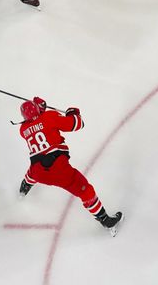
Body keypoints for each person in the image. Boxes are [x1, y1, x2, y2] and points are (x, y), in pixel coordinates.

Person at [17, 97, 123, 235]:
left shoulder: (23, 129)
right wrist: (73, 113)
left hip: (38, 172)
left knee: (33, 172)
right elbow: (78, 124)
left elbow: (37, 123)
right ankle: (106, 221)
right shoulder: (49, 116)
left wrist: (39, 109)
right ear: (38, 110)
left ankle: (24, 188)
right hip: (59, 170)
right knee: (85, 190)